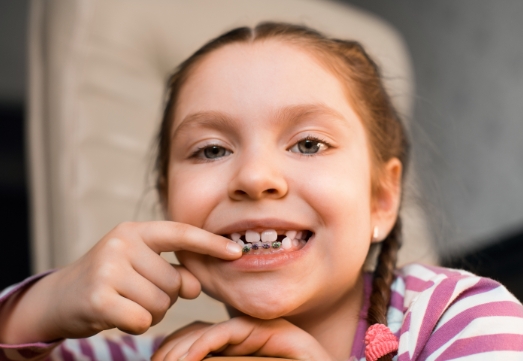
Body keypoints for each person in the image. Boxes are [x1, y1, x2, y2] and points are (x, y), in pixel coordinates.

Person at [0, 22, 522, 361]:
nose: (254, 177)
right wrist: (40, 306)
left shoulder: (465, 317)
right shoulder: (149, 356)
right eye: (210, 150)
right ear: (168, 205)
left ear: (381, 200)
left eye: (310, 143)